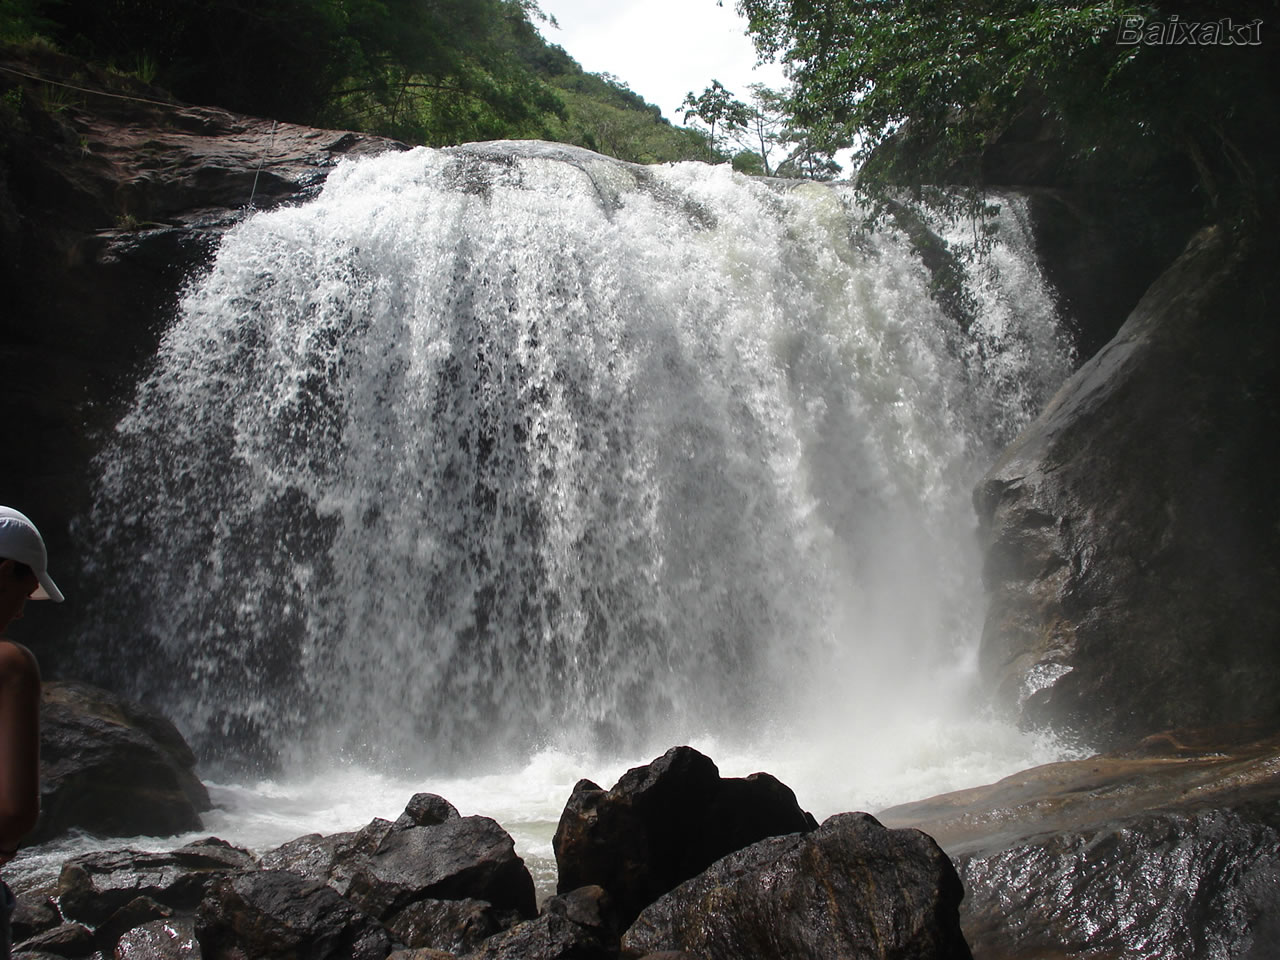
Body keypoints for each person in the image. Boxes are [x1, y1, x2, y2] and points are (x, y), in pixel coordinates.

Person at [0, 507, 62, 957]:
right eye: (26, 590)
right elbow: (17, 813)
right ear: (4, 571)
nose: (22, 612)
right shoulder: (10, 665)